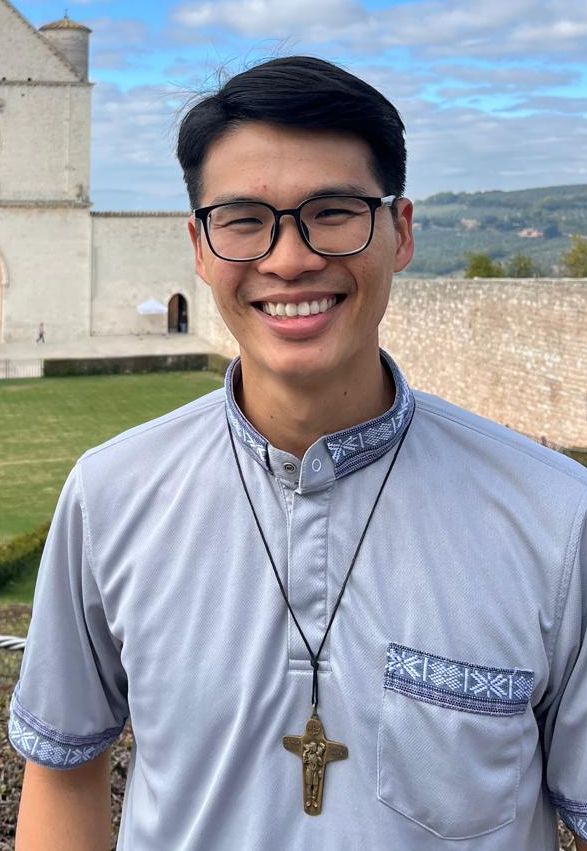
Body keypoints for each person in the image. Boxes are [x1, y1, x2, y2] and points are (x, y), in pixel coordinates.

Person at [9, 56, 587, 851]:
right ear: (199, 247)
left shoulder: (558, 519)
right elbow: (64, 770)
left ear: (401, 231)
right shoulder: (108, 495)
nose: (288, 259)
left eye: (333, 211)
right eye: (244, 219)